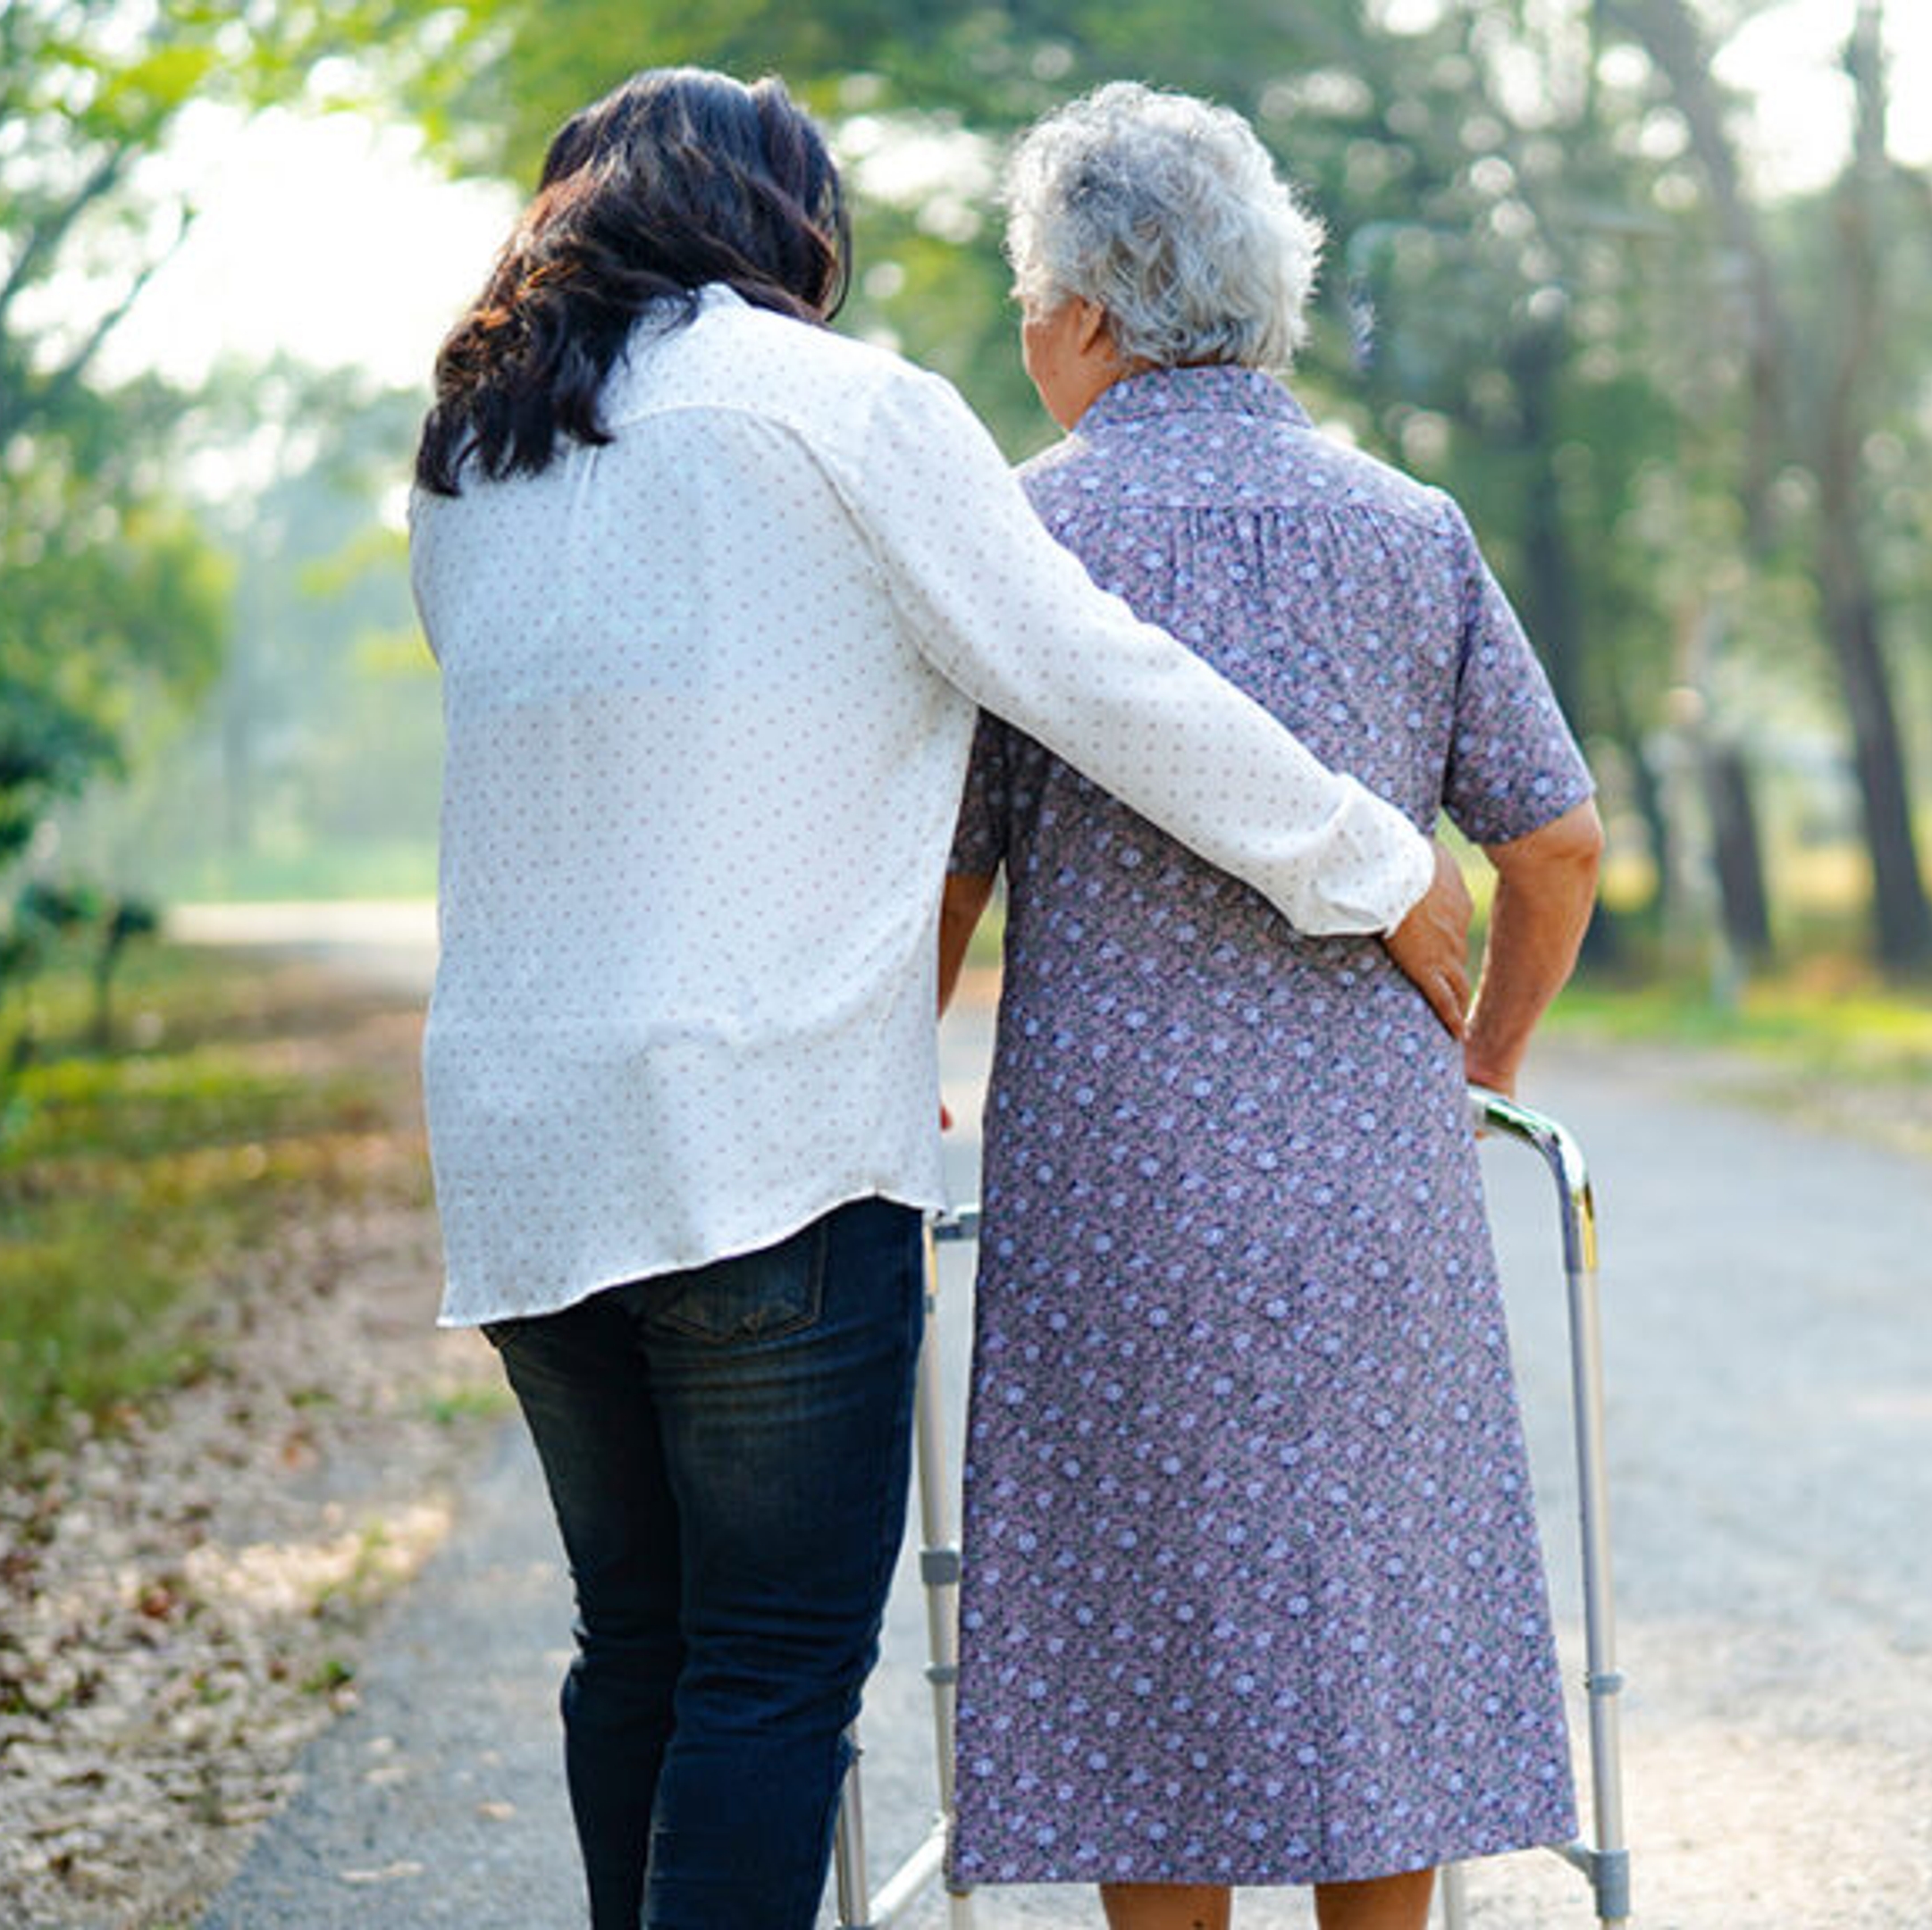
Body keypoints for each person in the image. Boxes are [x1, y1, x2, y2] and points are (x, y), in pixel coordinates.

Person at [407, 68, 1478, 1930]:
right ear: (780, 222)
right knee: (765, 1669)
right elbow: (1094, 675)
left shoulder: (475, 451)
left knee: (636, 1645)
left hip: (522, 1138)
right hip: (765, 1132)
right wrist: (1374, 862)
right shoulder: (841, 407)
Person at [932, 84, 1606, 1930]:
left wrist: (888, 1073)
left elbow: (946, 879)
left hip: (1114, 1195)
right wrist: (1481, 1071)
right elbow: (1553, 848)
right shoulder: (1411, 528)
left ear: (1084, 310)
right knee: (1375, 1626)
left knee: (1150, 1631)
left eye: (1026, 299)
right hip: (1375, 1185)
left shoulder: (1013, 541)